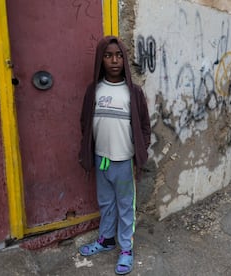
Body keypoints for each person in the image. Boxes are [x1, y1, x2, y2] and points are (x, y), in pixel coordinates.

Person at [78, 35, 151, 275]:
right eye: (108, 56)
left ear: (125, 60)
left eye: (119, 55)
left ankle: (126, 249)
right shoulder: (94, 91)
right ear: (101, 60)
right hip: (102, 159)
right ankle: (106, 239)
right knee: (106, 202)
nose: (114, 60)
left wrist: (140, 149)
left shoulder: (133, 92)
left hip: (123, 161)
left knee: (125, 205)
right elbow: (85, 122)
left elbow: (144, 127)